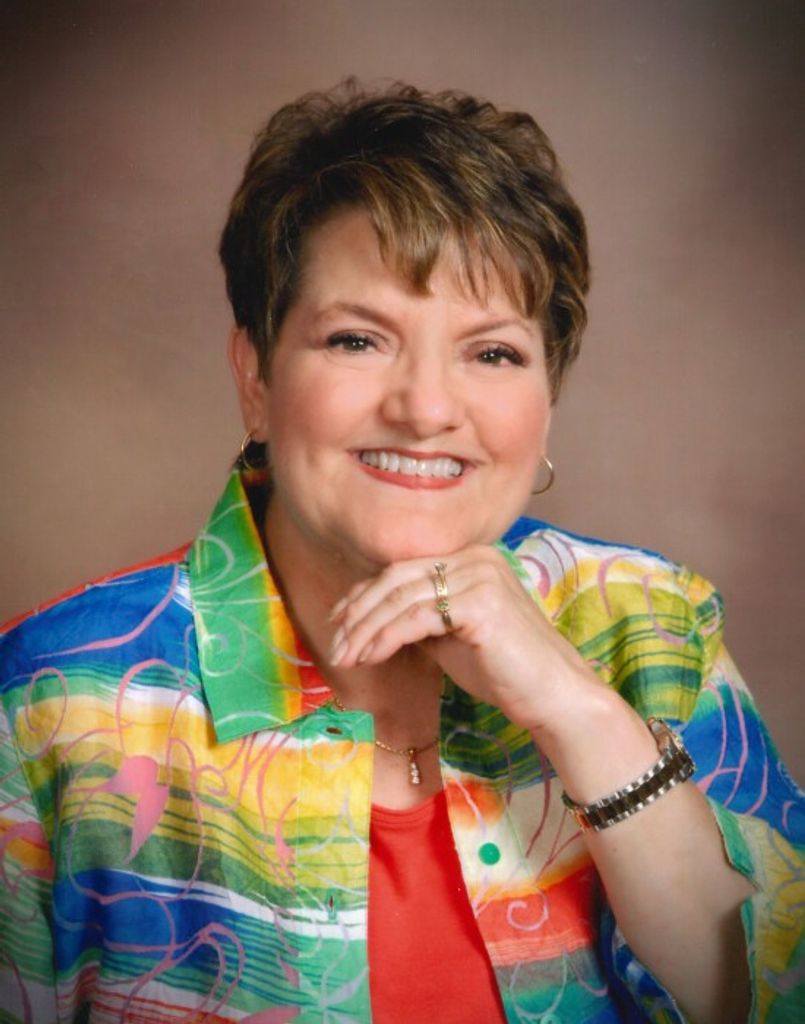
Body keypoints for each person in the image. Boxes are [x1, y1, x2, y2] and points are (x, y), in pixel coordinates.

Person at [0, 81, 802, 1024]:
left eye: (492, 353)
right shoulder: (56, 703)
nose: (425, 409)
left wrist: (580, 712)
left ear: (546, 399)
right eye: (357, 340)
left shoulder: (649, 623)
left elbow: (776, 997)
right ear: (255, 378)